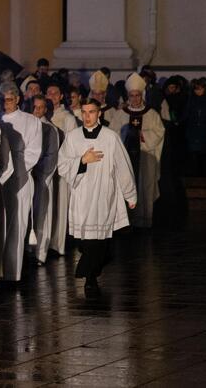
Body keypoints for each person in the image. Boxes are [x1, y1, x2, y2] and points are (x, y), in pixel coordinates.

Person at [58, 98, 137, 298]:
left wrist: (130, 194)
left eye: (91, 112)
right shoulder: (73, 137)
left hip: (103, 196)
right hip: (81, 196)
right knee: (85, 243)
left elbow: (123, 166)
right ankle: (93, 270)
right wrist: (82, 160)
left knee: (99, 241)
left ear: (99, 113)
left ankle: (89, 278)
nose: (87, 116)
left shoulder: (111, 137)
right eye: (84, 112)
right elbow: (62, 166)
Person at [0, 82, 42, 282]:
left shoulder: (31, 122)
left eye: (10, 99)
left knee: (17, 224)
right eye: (3, 99)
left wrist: (15, 168)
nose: (6, 103)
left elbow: (33, 152)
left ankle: (13, 273)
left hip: (20, 178)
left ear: (18, 99)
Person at [109, 73, 164, 229]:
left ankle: (144, 221)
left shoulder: (152, 114)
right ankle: (124, 223)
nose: (135, 99)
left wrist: (141, 135)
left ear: (142, 95)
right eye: (132, 96)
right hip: (125, 157)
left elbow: (159, 133)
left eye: (137, 95)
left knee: (145, 185)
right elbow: (112, 134)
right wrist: (127, 135)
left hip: (145, 157)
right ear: (128, 96)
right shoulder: (120, 114)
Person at [45, 83, 78, 256]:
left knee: (59, 203)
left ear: (61, 96)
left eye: (55, 92)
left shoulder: (68, 118)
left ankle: (57, 243)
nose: (51, 95)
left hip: (60, 166)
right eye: (49, 92)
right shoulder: (42, 114)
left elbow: (72, 144)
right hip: (44, 167)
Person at [30, 95, 59, 265]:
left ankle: (40, 252)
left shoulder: (49, 129)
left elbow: (51, 155)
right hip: (28, 175)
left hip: (42, 176)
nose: (37, 110)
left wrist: (41, 173)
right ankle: (28, 249)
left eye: (41, 107)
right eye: (35, 107)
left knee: (42, 214)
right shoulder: (27, 124)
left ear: (45, 109)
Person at [183, 79, 206, 177]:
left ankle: (205, 176)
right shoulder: (191, 99)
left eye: (200, 89)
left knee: (205, 156)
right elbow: (186, 114)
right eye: (196, 89)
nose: (198, 91)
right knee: (194, 155)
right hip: (193, 131)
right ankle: (195, 176)